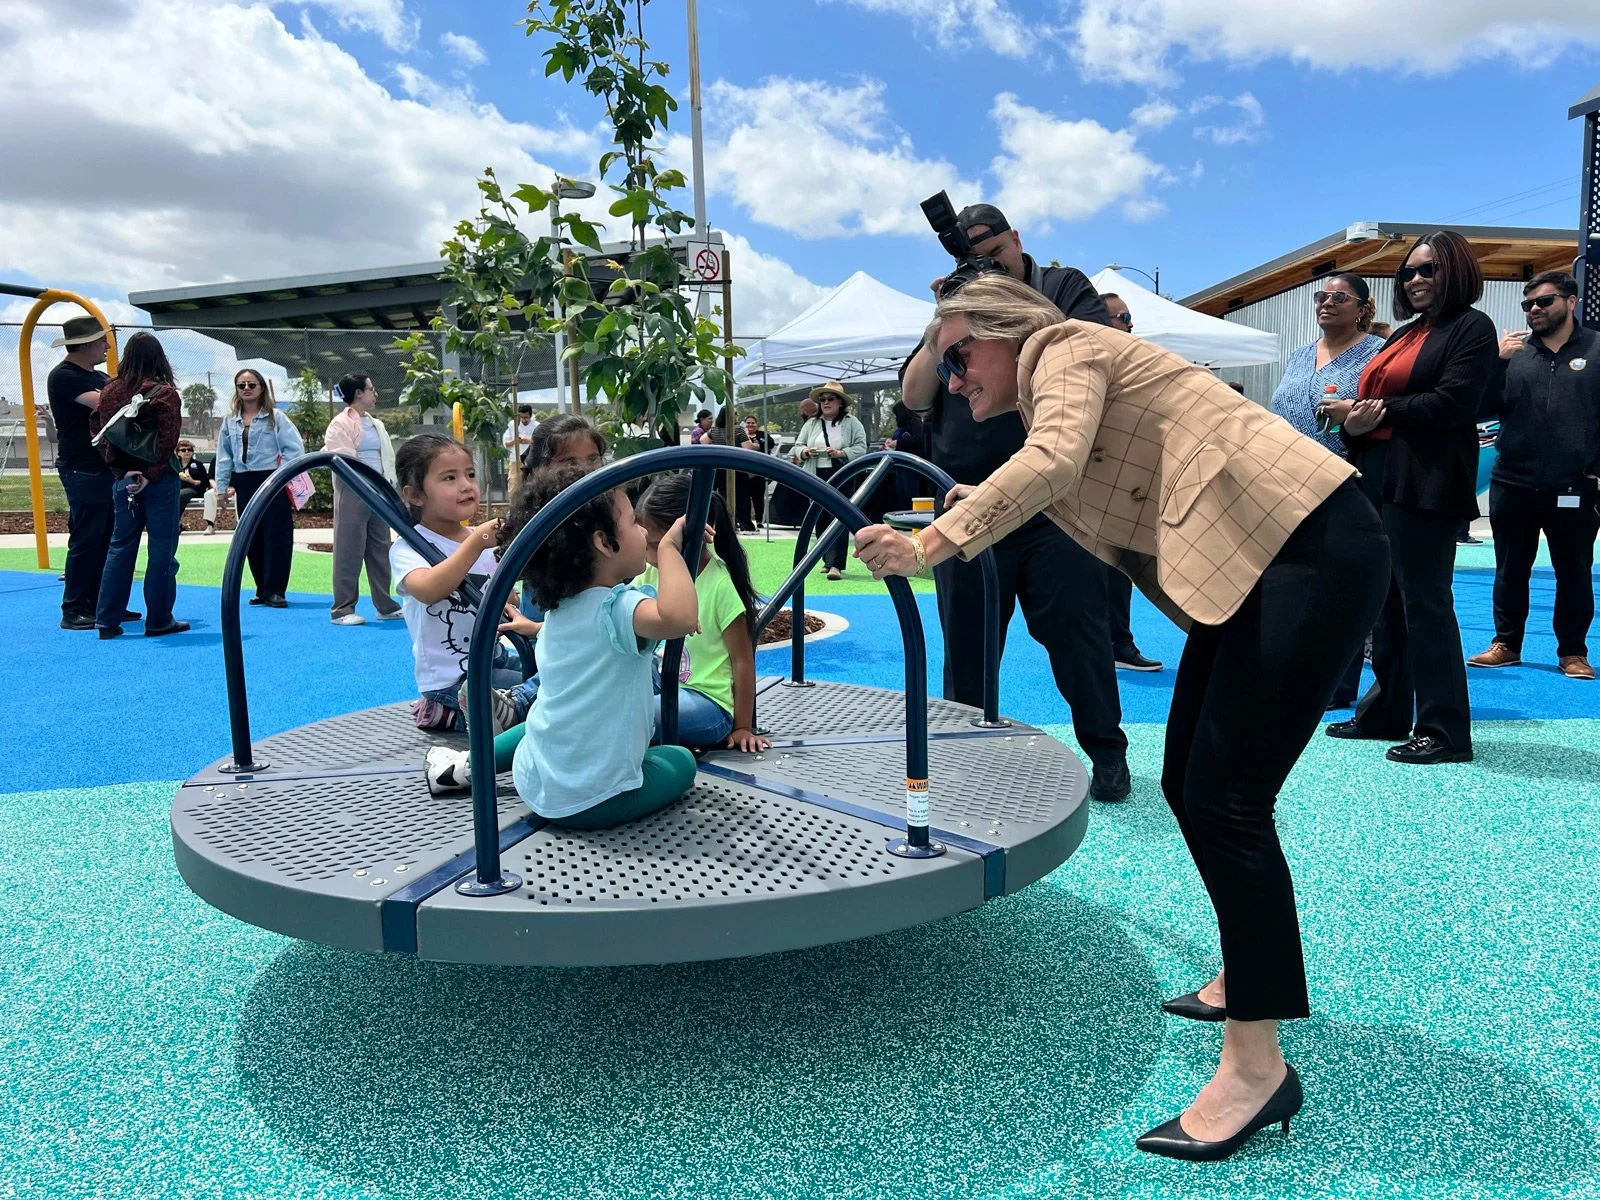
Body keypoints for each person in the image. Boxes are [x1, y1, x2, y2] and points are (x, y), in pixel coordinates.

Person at [855, 272, 1389, 1162]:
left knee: (1228, 801)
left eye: (958, 355)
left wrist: (928, 546)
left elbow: (1056, 463)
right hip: (1267, 560)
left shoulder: (1062, 346)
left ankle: (1257, 1070)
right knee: (1188, 783)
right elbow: (1077, 476)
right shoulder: (1061, 387)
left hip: (1306, 547)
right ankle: (1246, 973)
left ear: (1007, 330)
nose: (952, 379)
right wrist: (971, 503)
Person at [902, 204, 1134, 804]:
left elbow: (1096, 349)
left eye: (994, 252)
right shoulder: (955, 313)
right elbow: (915, 395)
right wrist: (946, 314)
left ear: (1017, 239)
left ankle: (1107, 751)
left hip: (1057, 501)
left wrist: (1000, 300)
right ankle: (964, 758)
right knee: (967, 646)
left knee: (1079, 634)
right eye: (973, 257)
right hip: (965, 501)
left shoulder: (1062, 286)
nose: (988, 265)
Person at [424, 463, 701, 826]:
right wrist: (669, 549)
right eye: (635, 522)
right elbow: (680, 618)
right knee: (681, 759)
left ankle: (465, 767)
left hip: (533, 779)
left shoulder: (561, 608)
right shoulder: (620, 608)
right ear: (604, 543)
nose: (645, 531)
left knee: (543, 722)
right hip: (596, 799)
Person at [1322, 231, 1494, 763]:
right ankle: (1385, 712)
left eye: (1428, 270)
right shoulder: (1408, 332)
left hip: (1425, 479)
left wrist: (1372, 413)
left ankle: (1444, 731)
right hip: (1379, 472)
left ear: (1456, 272)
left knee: (1424, 602)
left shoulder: (1472, 327)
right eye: (1409, 271)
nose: (1415, 279)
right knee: (1385, 602)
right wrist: (1355, 422)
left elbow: (1454, 403)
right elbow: (1378, 405)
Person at [1469, 270, 1600, 680]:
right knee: (1510, 569)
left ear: (1571, 301)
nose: (1534, 310)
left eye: (1544, 301)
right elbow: (1480, 408)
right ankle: (1506, 643)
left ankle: (1573, 652)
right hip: (1513, 482)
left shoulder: (1597, 349)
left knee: (1574, 571)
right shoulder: (1515, 353)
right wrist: (1495, 364)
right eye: (1528, 304)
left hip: (1575, 485)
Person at [1268, 273, 1388, 707]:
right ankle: (1294, 671)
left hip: (1343, 481)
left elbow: (1381, 414)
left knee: (1340, 586)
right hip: (1286, 481)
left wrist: (1351, 415)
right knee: (1294, 583)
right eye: (1322, 296)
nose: (1328, 302)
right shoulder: (1301, 354)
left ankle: (1337, 684)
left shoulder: (1377, 353)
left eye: (1340, 297)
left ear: (1362, 308)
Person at [387, 434, 520, 732]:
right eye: (449, 478)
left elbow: (503, 597)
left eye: (470, 474)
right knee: (536, 694)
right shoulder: (410, 547)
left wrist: (511, 599)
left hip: (494, 660)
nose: (465, 485)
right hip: (451, 678)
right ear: (415, 495)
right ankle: (443, 710)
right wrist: (477, 542)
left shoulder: (479, 539)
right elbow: (428, 589)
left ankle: (494, 711)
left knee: (550, 675)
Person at [637, 473, 771, 752]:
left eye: (657, 545)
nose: (648, 554)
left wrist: (743, 726)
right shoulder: (650, 573)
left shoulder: (719, 584)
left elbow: (742, 660)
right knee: (619, 692)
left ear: (688, 537)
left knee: (633, 714)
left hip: (707, 702)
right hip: (664, 684)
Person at [89, 332, 188, 639]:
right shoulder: (165, 394)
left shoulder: (109, 390)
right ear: (160, 359)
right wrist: (152, 472)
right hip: (160, 481)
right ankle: (159, 620)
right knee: (161, 551)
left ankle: (107, 621)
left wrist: (120, 470)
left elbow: (98, 430)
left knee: (120, 547)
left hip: (124, 480)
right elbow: (168, 439)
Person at [48, 317, 134, 630]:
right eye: (101, 341)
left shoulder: (98, 376)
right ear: (84, 344)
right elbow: (107, 405)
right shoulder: (64, 376)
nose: (107, 346)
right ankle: (74, 609)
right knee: (87, 538)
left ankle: (103, 604)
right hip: (81, 467)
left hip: (104, 467)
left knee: (107, 537)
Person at [1096, 291, 1163, 674]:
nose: (1130, 323)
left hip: (1126, 481)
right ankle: (1110, 644)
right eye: (1123, 317)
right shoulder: (1087, 364)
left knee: (1119, 568)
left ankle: (1117, 642)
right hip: (1098, 482)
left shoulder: (1131, 363)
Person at [213, 370, 304, 608]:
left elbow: (294, 449)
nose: (246, 388)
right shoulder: (230, 420)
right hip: (244, 481)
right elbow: (224, 456)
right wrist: (221, 487)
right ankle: (262, 588)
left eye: (251, 384)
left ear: (261, 387)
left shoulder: (276, 417)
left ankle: (276, 590)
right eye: (241, 385)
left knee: (277, 535)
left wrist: (282, 474)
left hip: (272, 479)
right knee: (251, 536)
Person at [322, 373, 403, 627]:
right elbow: (344, 461)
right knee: (349, 550)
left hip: (378, 492)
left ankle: (385, 605)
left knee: (380, 548)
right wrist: (364, 486)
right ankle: (342, 609)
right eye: (371, 389)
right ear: (358, 393)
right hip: (353, 491)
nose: (375, 393)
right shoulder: (340, 424)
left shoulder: (375, 424)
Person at [790, 381, 868, 580]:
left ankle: (836, 564)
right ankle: (827, 560)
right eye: (822, 399)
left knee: (838, 518)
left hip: (842, 473)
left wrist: (842, 453)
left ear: (840, 402)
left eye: (830, 399)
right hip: (815, 474)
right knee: (819, 517)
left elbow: (861, 448)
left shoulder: (852, 423)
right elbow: (797, 446)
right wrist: (806, 452)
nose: (826, 402)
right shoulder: (811, 424)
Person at [769, 395, 820, 528]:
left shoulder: (811, 424)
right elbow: (799, 446)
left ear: (804, 412)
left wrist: (801, 454)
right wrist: (802, 452)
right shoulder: (815, 424)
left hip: (811, 468)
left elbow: (799, 446)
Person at [735, 414, 774, 531]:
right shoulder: (741, 434)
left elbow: (770, 444)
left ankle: (759, 520)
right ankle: (743, 520)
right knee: (744, 498)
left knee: (759, 498)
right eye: (748, 423)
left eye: (753, 423)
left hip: (759, 472)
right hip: (743, 472)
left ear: (757, 424)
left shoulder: (763, 435)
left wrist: (758, 445)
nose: (750, 425)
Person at [175, 441, 218, 534]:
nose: (187, 452)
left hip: (194, 490)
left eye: (189, 450)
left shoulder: (198, 465)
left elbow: (205, 482)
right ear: (178, 453)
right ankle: (173, 524)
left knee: (180, 495)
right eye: (183, 450)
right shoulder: (175, 465)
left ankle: (174, 524)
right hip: (176, 489)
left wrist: (192, 481)